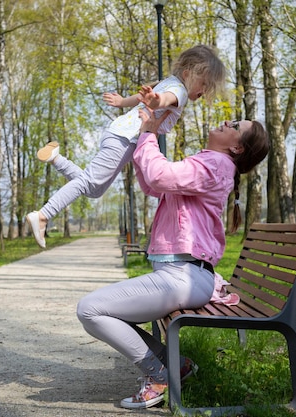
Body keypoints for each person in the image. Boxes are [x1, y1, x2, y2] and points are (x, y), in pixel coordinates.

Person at [76, 106, 270, 409]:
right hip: (184, 275)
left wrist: (150, 134)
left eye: (233, 124)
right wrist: (143, 138)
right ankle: (175, 365)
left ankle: (159, 375)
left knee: (90, 309)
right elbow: (154, 184)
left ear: (237, 146)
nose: (224, 121)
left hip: (184, 276)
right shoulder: (211, 163)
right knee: (99, 311)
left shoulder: (216, 164)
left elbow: (159, 173)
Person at [25, 45, 227, 248]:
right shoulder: (179, 91)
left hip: (120, 135)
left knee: (94, 189)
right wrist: (156, 102)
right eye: (204, 84)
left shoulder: (168, 82)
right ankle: (43, 215)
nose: (205, 90)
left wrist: (122, 102)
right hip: (125, 138)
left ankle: (56, 157)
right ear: (188, 74)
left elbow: (141, 98)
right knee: (89, 182)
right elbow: (164, 99)